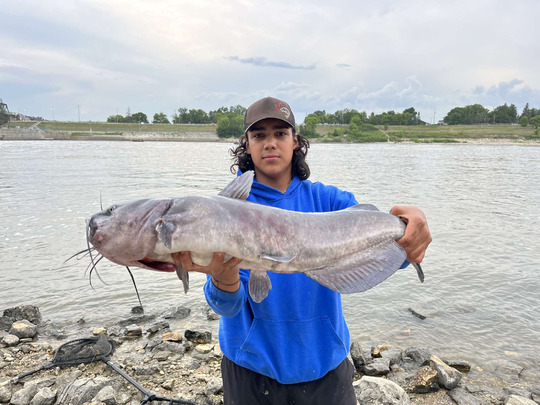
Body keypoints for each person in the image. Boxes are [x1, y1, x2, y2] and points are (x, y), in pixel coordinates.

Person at [172, 97, 431, 404]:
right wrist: (222, 276)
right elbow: (227, 307)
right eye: (259, 135)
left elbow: (381, 253)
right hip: (250, 372)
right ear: (247, 145)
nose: (270, 143)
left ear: (295, 141)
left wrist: (411, 233)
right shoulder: (226, 210)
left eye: (280, 133)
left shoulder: (330, 202)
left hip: (326, 368)